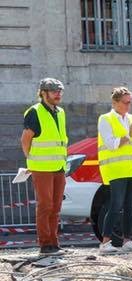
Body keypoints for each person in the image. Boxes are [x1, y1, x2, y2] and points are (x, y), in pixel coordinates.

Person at [96, 87, 132, 254]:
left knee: (130, 206)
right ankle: (105, 242)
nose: (128, 106)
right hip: (117, 169)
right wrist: (129, 133)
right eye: (125, 102)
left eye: (130, 102)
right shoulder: (105, 119)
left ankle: (127, 241)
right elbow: (111, 144)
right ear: (115, 102)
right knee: (115, 205)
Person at [21, 78, 68, 256]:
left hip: (59, 166)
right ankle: (45, 243)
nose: (58, 94)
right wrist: (31, 160)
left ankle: (54, 243)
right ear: (43, 93)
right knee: (45, 205)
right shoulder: (34, 112)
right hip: (41, 167)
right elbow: (26, 140)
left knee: (56, 207)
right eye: (54, 91)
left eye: (59, 91)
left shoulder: (61, 112)